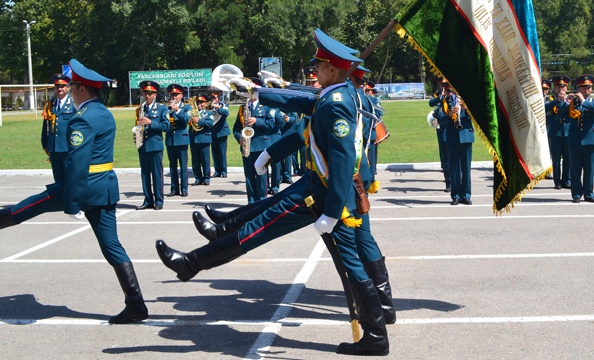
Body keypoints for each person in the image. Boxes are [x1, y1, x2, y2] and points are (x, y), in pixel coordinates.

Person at [155, 28, 389, 356]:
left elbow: (342, 162)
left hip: (328, 198)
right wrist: (254, 91)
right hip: (322, 192)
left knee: (258, 230)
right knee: (346, 259)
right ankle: (377, 334)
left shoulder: (336, 103)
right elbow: (299, 98)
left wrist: (333, 211)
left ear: (332, 70)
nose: (314, 73)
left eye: (319, 67)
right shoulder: (333, 95)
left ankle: (191, 263)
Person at [0, 59, 148, 324]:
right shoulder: (104, 113)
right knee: (112, 246)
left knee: (26, 207)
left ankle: (136, 305)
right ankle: (136, 303)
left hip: (81, 188)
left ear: (80, 89)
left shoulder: (82, 120)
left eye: (73, 87)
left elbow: (77, 164)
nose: (69, 91)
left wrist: (72, 204)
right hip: (104, 188)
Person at [232, 92, 277, 203]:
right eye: (249, 92)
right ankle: (251, 201)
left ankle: (262, 200)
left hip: (261, 145)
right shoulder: (243, 108)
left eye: (253, 92)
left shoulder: (266, 106)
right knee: (249, 175)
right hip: (247, 146)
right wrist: (239, 138)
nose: (251, 95)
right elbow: (236, 128)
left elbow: (271, 124)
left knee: (261, 175)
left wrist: (257, 121)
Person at [135, 81, 170, 210]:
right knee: (145, 174)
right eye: (145, 93)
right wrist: (136, 134)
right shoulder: (140, 109)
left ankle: (159, 200)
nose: (147, 96)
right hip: (143, 146)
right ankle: (148, 200)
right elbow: (138, 126)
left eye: (150, 93)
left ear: (155, 94)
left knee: (157, 174)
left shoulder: (162, 108)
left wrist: (151, 122)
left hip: (155, 145)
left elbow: (166, 126)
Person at [438, 95, 474, 205]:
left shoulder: (469, 98)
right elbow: (440, 119)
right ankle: (456, 196)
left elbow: (479, 117)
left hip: (466, 136)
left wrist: (467, 109)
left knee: (466, 168)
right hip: (452, 137)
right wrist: (450, 114)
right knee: (454, 168)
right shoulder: (445, 100)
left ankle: (466, 195)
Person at [565, 74, 594, 203]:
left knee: (589, 169)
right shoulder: (573, 102)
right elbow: (560, 114)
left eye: (588, 88)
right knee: (575, 168)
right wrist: (565, 102)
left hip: (589, 140)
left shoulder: (591, 101)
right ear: (578, 88)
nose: (586, 90)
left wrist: (583, 100)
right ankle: (576, 194)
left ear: (591, 89)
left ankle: (588, 193)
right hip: (574, 140)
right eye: (583, 88)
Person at [41, 73, 75, 182]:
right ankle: (60, 199)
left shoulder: (73, 104)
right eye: (57, 86)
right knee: (58, 179)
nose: (59, 89)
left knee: (69, 178)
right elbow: (45, 126)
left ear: (68, 88)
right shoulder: (50, 105)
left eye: (62, 86)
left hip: (67, 147)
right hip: (54, 147)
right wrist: (45, 143)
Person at [165, 84, 191, 197]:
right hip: (171, 139)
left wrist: (178, 110)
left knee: (183, 166)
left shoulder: (187, 108)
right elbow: (165, 121)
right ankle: (174, 188)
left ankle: (184, 189)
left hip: (182, 139)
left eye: (176, 94)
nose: (174, 97)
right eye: (172, 95)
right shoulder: (167, 108)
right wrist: (170, 110)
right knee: (172, 166)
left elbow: (186, 120)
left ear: (182, 95)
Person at [545, 76, 571, 189]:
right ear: (554, 88)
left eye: (563, 86)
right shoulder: (550, 100)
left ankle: (566, 180)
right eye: (558, 87)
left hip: (568, 133)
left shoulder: (571, 99)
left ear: (567, 88)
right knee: (556, 159)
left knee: (568, 158)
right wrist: (557, 100)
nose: (561, 89)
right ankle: (557, 182)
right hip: (556, 133)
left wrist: (567, 101)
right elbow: (544, 108)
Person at [429, 78, 451, 192]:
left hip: (452, 129)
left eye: (446, 84)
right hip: (442, 129)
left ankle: (457, 181)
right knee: (445, 157)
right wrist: (440, 97)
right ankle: (448, 183)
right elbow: (430, 103)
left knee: (454, 158)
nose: (444, 87)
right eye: (442, 85)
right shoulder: (438, 95)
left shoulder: (453, 96)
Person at [189, 94, 215, 186]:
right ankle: (198, 178)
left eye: (202, 102)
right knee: (195, 161)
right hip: (193, 138)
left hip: (204, 138)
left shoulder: (209, 113)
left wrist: (198, 121)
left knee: (205, 160)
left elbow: (210, 123)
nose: (200, 104)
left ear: (206, 103)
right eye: (198, 102)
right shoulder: (192, 112)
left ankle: (207, 178)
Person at [209, 90, 231, 178]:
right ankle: (217, 171)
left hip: (222, 132)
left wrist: (217, 108)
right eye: (212, 97)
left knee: (222, 152)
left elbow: (226, 113)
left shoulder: (223, 105)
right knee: (215, 152)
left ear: (218, 98)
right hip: (212, 131)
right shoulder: (209, 106)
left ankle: (224, 171)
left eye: (215, 97)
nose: (213, 99)